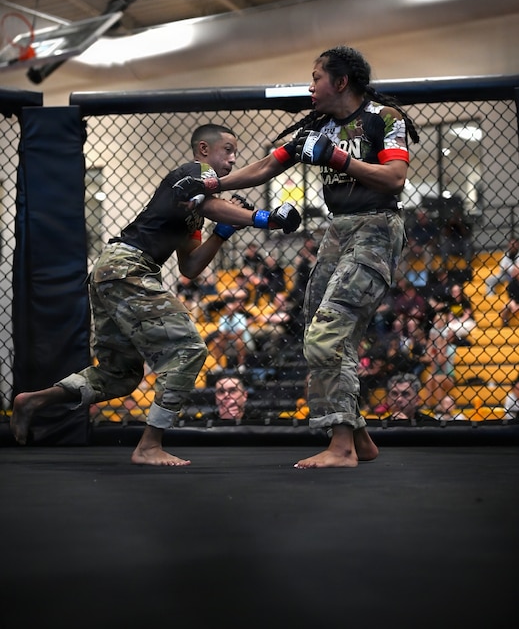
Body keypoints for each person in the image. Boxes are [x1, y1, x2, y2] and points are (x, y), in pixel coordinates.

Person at [173, 44, 420, 468]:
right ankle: (357, 437)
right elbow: (266, 168)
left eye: (316, 77)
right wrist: (209, 185)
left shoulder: (385, 119)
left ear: (340, 82)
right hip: (337, 230)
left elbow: (395, 179)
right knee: (317, 335)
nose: (310, 86)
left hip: (377, 226)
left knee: (329, 335)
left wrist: (338, 158)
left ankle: (340, 447)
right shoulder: (318, 128)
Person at [10, 123, 301, 466]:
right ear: (204, 150)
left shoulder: (191, 211)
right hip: (127, 268)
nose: (232, 159)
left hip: (115, 271)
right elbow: (212, 206)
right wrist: (263, 217)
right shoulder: (194, 173)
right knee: (191, 350)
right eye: (228, 150)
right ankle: (149, 445)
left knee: (121, 375)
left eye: (235, 153)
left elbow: (190, 267)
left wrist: (222, 234)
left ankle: (33, 401)